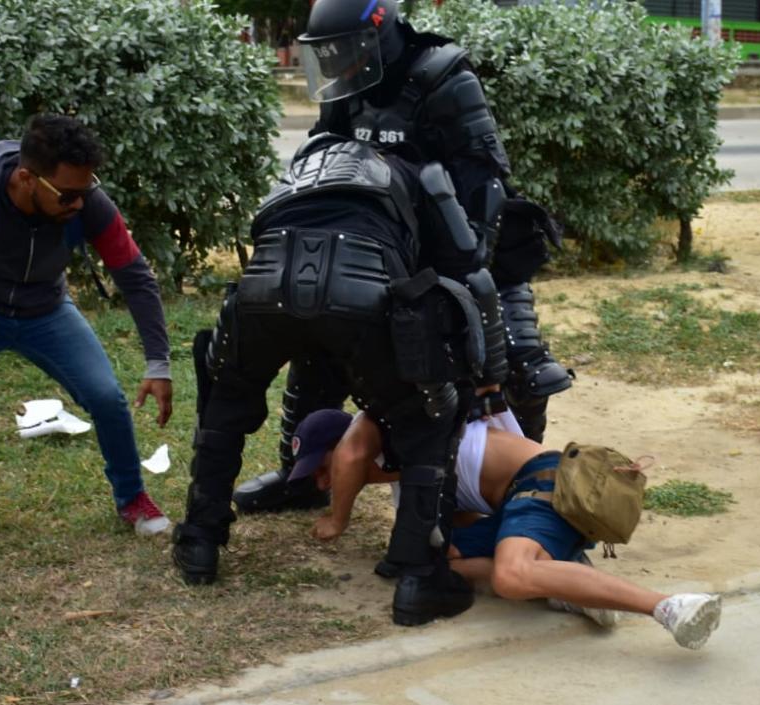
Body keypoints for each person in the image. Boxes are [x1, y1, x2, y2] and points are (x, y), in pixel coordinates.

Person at [231, 0, 572, 515]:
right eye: (328, 53)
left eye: (345, 50)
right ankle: (301, 475)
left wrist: (469, 258)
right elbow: (323, 153)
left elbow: (486, 180)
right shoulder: (349, 86)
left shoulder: (442, 78)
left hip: (464, 245)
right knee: (319, 334)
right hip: (384, 241)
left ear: (378, 33)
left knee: (522, 364)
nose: (337, 63)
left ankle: (525, 486)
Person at [172, 134, 511, 626]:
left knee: (224, 404)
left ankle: (200, 543)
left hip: (264, 283)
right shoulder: (422, 172)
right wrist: (488, 374)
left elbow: (262, 225)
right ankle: (418, 573)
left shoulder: (310, 163)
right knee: (428, 420)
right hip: (361, 289)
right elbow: (467, 264)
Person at [0, 114, 173, 534]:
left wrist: (158, 363)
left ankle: (132, 497)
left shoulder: (88, 199)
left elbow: (134, 275)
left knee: (105, 396)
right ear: (27, 178)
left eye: (85, 190)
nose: (79, 203)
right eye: (67, 195)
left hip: (47, 310)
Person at [300, 408, 724, 650]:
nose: (323, 482)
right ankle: (565, 579)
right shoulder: (411, 473)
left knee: (511, 574)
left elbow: (354, 455)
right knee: (437, 563)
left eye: (324, 468)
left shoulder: (406, 422)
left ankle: (669, 606)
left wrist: (337, 518)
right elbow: (458, 531)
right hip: (518, 505)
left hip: (544, 483)